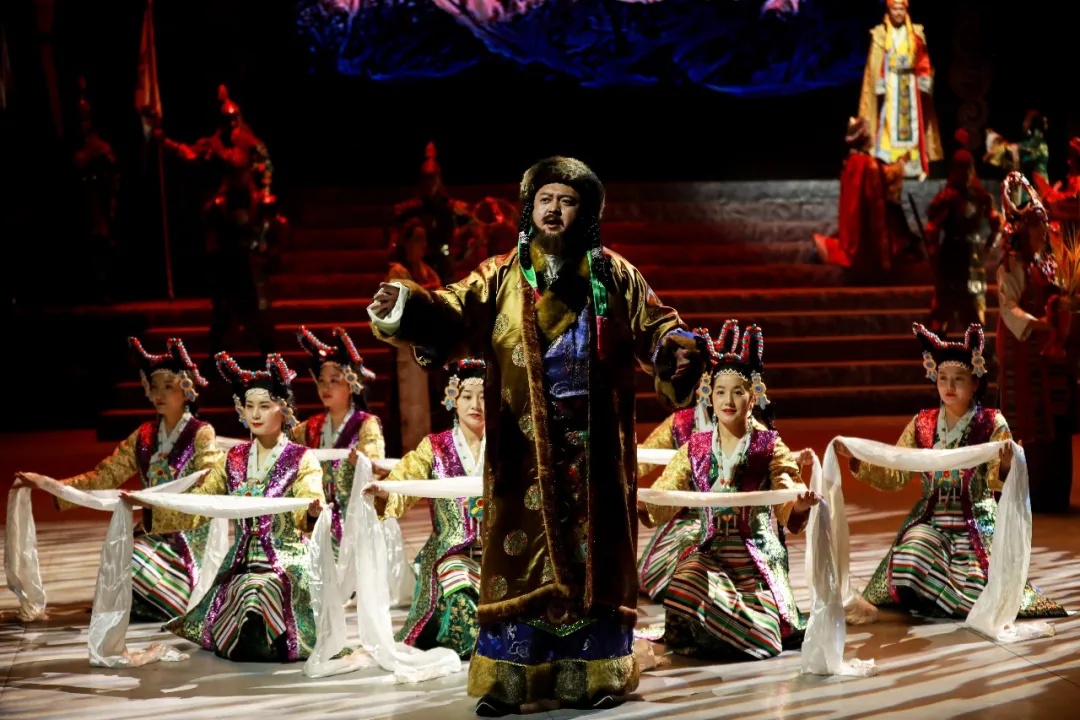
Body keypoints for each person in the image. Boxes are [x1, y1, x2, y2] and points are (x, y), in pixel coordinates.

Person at [368, 156, 703, 715]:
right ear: (530, 209)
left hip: (593, 448)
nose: (554, 210)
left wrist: (676, 349)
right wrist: (407, 303)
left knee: (594, 559)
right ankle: (509, 679)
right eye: (545, 199)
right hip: (522, 447)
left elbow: (658, 327)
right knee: (518, 557)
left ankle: (597, 671)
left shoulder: (614, 276)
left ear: (585, 213)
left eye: (567, 201)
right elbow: (452, 308)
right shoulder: (500, 275)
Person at [836, 323, 1066, 618]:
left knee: (979, 591)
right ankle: (932, 595)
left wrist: (1008, 464)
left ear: (975, 383)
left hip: (976, 523)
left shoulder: (991, 422)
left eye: (959, 379)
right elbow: (897, 470)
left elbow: (997, 480)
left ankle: (939, 598)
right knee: (908, 558)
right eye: (943, 378)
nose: (950, 386)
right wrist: (859, 459)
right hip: (932, 520)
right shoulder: (922, 423)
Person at [638, 321, 817, 658]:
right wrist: (641, 501)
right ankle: (726, 633)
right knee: (685, 580)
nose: (728, 400)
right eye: (720, 392)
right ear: (709, 393)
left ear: (753, 395)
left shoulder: (767, 444)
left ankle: (753, 631)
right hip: (711, 549)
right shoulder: (696, 445)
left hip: (754, 557)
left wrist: (799, 506)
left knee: (759, 628)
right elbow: (666, 490)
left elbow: (785, 489)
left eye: (737, 392)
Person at [16, 337, 222, 621]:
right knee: (118, 556)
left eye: (168, 387)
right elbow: (107, 474)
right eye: (154, 387)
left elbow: (210, 480)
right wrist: (49, 484)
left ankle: (173, 597)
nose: (159, 394)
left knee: (132, 563)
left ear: (186, 390)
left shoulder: (201, 433)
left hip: (185, 535)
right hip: (149, 531)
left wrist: (174, 504)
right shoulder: (144, 435)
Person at [140, 353, 325, 662]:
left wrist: (311, 511)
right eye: (249, 406)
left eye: (265, 405)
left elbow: (308, 496)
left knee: (259, 592)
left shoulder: (302, 458)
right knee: (243, 591)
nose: (255, 414)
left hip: (286, 560)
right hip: (241, 561)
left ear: (284, 409)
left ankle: (272, 638)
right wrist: (152, 507)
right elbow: (200, 502)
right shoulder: (234, 458)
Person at [366, 358, 487, 657]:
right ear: (453, 399)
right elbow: (407, 477)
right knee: (458, 587)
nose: (475, 405)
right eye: (467, 396)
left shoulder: (503, 446)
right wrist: (385, 492)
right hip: (450, 552)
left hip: (500, 552)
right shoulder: (434, 447)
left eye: (483, 397)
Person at [153, 85, 274, 357]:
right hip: (224, 225)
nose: (230, 125)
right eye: (225, 120)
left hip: (247, 220)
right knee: (223, 290)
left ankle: (263, 341)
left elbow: (263, 165)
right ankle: (221, 341)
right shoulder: (213, 144)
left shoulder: (248, 142)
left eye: (233, 119)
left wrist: (264, 191)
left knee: (254, 288)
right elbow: (189, 153)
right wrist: (166, 142)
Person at [996, 172, 1075, 512]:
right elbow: (1008, 306)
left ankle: (1053, 491)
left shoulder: (1047, 263)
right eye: (1037, 226)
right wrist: (1039, 323)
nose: (1043, 231)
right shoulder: (1011, 264)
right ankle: (1025, 491)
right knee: (1026, 418)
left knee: (1053, 420)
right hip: (1022, 348)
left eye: (1044, 224)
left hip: (1048, 352)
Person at [293, 325, 385, 550]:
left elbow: (375, 463)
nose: (326, 387)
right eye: (322, 380)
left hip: (353, 516)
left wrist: (361, 462)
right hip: (318, 514)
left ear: (351, 385)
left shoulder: (365, 423)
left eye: (334, 381)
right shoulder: (308, 428)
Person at [814, 117, 910, 278]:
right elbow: (886, 176)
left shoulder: (851, 161)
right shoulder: (867, 163)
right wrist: (901, 164)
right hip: (865, 215)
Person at [857, 0, 943, 180]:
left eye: (901, 9)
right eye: (894, 9)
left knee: (912, 123)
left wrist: (923, 78)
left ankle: (912, 162)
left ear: (906, 10)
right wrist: (880, 81)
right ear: (889, 11)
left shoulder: (915, 33)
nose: (898, 13)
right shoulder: (881, 34)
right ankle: (890, 162)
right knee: (890, 121)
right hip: (892, 83)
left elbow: (922, 58)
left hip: (910, 84)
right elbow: (877, 63)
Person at [924, 147, 1003, 336]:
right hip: (951, 255)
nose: (966, 174)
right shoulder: (946, 199)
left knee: (975, 309)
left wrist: (989, 245)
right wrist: (933, 253)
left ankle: (976, 349)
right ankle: (936, 346)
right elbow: (932, 229)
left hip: (973, 258)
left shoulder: (981, 197)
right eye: (961, 168)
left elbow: (997, 223)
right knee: (943, 307)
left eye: (968, 168)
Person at [387, 218, 443, 453]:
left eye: (423, 239)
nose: (421, 245)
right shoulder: (398, 271)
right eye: (417, 239)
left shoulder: (429, 272)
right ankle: (409, 451)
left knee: (429, 401)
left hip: (428, 345)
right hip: (407, 347)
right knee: (410, 403)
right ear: (406, 243)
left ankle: (428, 451)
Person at [392, 141, 475, 284]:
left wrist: (463, 253)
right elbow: (396, 230)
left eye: (432, 179)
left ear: (438, 180)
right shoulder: (410, 209)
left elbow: (472, 227)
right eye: (426, 179)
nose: (429, 184)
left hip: (443, 262)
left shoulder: (452, 207)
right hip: (418, 263)